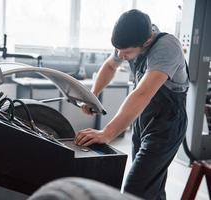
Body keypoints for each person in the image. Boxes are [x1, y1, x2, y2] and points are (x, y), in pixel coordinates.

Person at [75, 9, 189, 200]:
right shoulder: (132, 39)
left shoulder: (167, 47)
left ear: (146, 42)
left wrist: (108, 132)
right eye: (118, 49)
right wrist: (92, 95)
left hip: (166, 125)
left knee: (134, 190)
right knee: (152, 188)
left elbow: (142, 93)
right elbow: (111, 65)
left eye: (125, 52)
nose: (120, 55)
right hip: (142, 121)